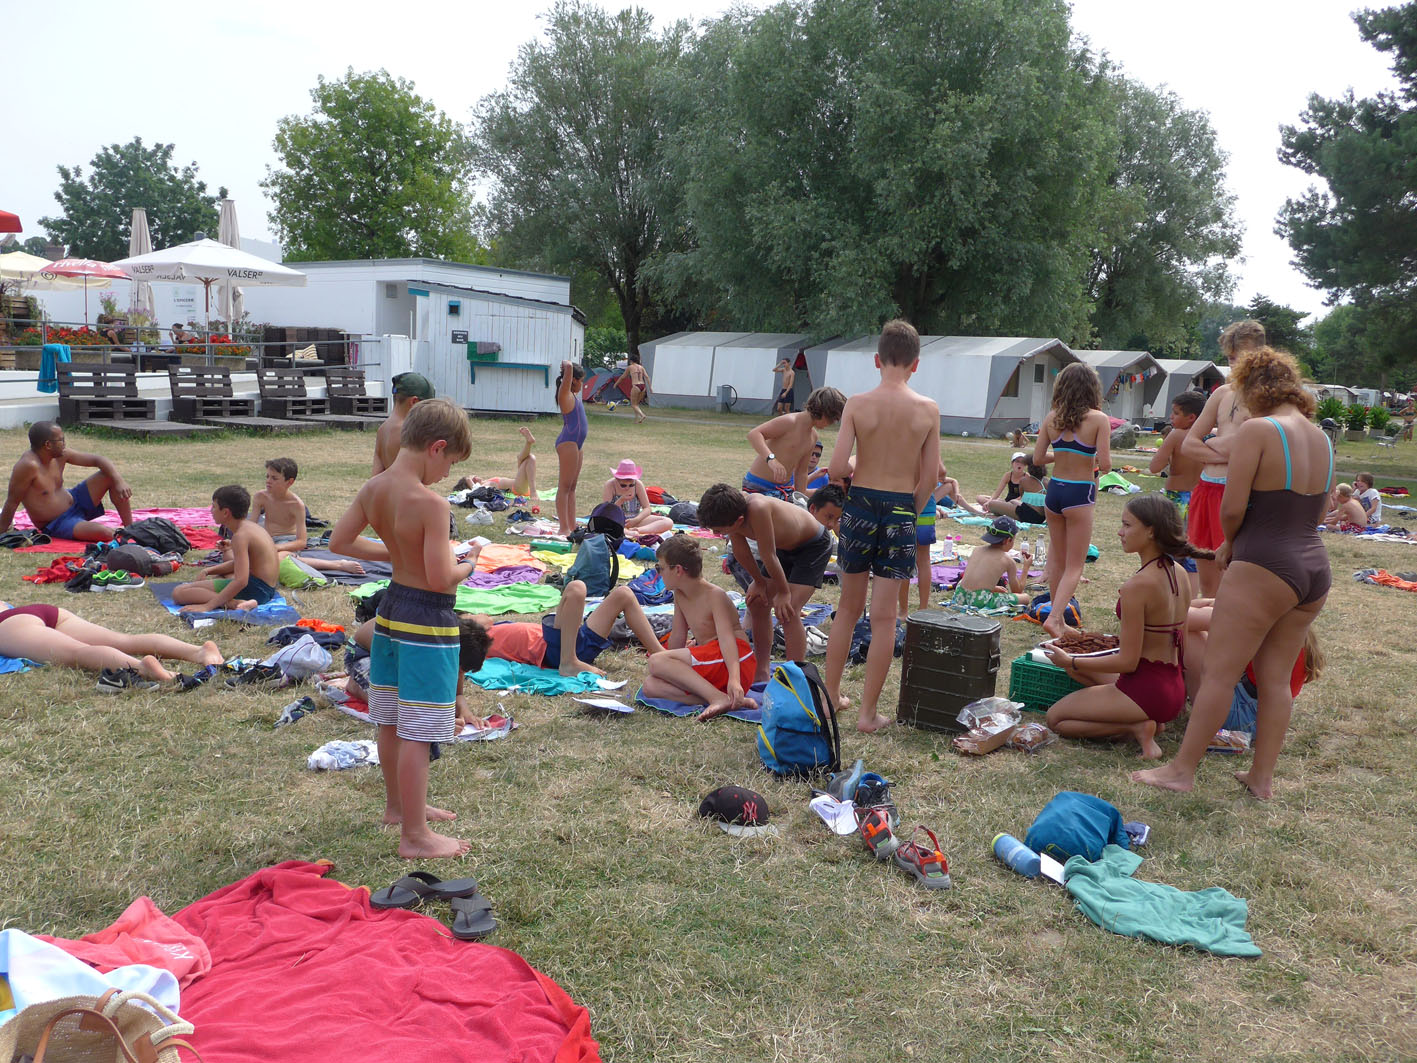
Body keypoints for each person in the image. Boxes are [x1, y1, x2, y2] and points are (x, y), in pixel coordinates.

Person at [1135, 347, 1332, 799]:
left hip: (1264, 559)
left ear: (1252, 389)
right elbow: (1320, 512)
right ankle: (1261, 779)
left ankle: (1181, 771)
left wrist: (1229, 545)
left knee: (1221, 673)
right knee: (1276, 679)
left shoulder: (1258, 430)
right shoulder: (1321, 437)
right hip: (1313, 565)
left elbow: (1232, 506)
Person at [330, 397, 477, 858]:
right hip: (428, 621)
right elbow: (439, 578)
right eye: (450, 463)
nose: (446, 474)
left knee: (392, 718)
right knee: (421, 726)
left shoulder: (375, 487)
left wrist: (396, 552)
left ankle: (398, 808)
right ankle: (415, 836)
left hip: (391, 613)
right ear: (437, 447)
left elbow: (340, 541)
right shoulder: (430, 504)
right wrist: (469, 564)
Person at [822, 320, 941, 732]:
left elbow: (836, 468)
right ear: (916, 364)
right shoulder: (928, 410)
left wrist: (857, 470)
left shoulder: (857, 404)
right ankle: (868, 714)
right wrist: (909, 510)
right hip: (901, 509)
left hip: (860, 505)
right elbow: (930, 478)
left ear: (877, 360)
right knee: (885, 617)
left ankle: (830, 697)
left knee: (847, 609)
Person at [1043, 495, 1208, 758]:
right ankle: (1147, 719)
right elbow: (1177, 642)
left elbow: (1127, 662)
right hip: (1174, 688)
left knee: (1055, 719)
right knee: (1079, 672)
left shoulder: (1137, 587)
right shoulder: (1178, 572)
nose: (1120, 532)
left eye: (1127, 525)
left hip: (1144, 691)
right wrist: (1081, 648)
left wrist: (1070, 659)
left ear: (1151, 531)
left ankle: (1137, 726)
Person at [698, 482, 838, 684]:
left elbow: (769, 555)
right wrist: (758, 582)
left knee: (788, 610)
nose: (714, 535)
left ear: (738, 521)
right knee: (757, 602)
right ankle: (762, 669)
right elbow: (741, 552)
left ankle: (794, 677)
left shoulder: (758, 508)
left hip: (813, 545)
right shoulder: (733, 512)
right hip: (784, 548)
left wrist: (783, 592)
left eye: (718, 530)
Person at [1180, 319, 1267, 595]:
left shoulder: (1268, 397)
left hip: (1238, 493)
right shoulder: (1222, 394)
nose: (1236, 364)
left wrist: (1214, 444)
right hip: (1206, 489)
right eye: (1231, 358)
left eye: (1242, 357)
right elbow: (1189, 445)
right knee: (1207, 583)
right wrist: (1223, 448)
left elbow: (1252, 450)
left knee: (1234, 580)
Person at [642, 535, 758, 721]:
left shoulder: (715, 595)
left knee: (656, 661)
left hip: (736, 660)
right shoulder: (680, 594)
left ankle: (718, 698)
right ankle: (727, 700)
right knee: (650, 686)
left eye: (660, 568)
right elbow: (678, 637)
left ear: (678, 570)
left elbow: (727, 639)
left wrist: (735, 679)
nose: (659, 573)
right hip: (714, 661)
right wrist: (670, 667)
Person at [1034, 363, 1111, 639]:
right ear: (1092, 388)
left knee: (1057, 559)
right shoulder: (1099, 419)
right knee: (1075, 565)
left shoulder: (1051, 418)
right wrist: (1085, 457)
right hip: (1080, 493)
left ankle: (1058, 618)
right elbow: (1105, 465)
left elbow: (1037, 459)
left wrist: (1063, 453)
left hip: (1054, 491)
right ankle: (1055, 618)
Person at [472, 577, 665, 676]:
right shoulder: (472, 637)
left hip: (569, 642)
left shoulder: (485, 631)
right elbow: (483, 620)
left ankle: (661, 655)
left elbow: (484, 620)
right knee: (576, 588)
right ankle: (569, 662)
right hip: (553, 650)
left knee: (624, 593)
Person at [0, 602, 223, 686]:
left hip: (9, 624)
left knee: (77, 653)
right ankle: (199, 651)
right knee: (124, 640)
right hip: (38, 610)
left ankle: (140, 667)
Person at [0, 422, 135, 542]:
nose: (64, 444)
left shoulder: (61, 455)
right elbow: (12, 502)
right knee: (106, 534)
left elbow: (99, 460)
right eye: (61, 440)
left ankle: (132, 529)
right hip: (58, 522)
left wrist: (119, 481)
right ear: (48, 445)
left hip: (75, 500)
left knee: (109, 475)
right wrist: (2, 532)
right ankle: (123, 533)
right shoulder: (28, 466)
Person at [173, 485, 280, 612]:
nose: (211, 511)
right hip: (267, 589)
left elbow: (241, 581)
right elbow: (240, 564)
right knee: (219, 578)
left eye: (214, 507)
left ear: (225, 513)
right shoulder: (251, 527)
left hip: (256, 591)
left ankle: (236, 603)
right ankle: (237, 601)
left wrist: (207, 606)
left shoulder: (240, 536)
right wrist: (207, 571)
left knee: (179, 592)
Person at [252, 457, 364, 575]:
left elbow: (301, 542)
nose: (268, 481)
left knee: (277, 559)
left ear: (289, 482)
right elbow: (251, 525)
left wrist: (276, 548)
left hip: (287, 542)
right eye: (267, 476)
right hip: (267, 539)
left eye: (274, 478)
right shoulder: (260, 497)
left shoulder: (296, 505)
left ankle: (337, 564)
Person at [743, 386, 847, 500]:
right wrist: (772, 460)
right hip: (758, 485)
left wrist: (800, 498)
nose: (832, 423)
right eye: (833, 419)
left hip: (783, 489)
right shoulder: (790, 422)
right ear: (824, 411)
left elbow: (801, 472)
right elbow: (754, 434)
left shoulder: (813, 436)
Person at [1148, 390, 1206, 588]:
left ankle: (1168, 594)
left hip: (1176, 498)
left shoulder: (1176, 435)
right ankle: (1189, 600)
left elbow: (1154, 467)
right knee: (1192, 553)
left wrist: (1169, 455)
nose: (1171, 417)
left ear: (1191, 417)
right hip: (1199, 498)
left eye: (1175, 413)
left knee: (1168, 548)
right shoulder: (1208, 436)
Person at [948, 515, 1032, 614]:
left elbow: (975, 578)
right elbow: (1017, 591)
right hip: (980, 600)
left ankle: (987, 591)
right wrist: (1026, 568)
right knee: (1025, 598)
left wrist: (993, 588)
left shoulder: (977, 549)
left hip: (960, 595)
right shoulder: (1008, 561)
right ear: (1008, 540)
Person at [456, 426, 541, 506]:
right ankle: (533, 492)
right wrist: (469, 480)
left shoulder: (487, 481)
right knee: (529, 458)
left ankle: (529, 442)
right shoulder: (485, 486)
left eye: (473, 476)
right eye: (473, 479)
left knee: (525, 458)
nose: (475, 477)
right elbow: (479, 492)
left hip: (519, 484)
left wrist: (470, 480)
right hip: (518, 489)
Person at [372, 372, 435, 476]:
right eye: (428, 407)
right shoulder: (409, 433)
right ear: (414, 402)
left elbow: (375, 476)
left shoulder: (382, 430)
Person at [555, 361, 588, 535]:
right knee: (564, 486)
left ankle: (572, 525)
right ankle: (563, 528)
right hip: (568, 442)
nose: (582, 384)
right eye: (581, 380)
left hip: (577, 444)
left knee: (572, 487)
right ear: (573, 380)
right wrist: (567, 366)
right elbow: (568, 368)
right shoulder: (565, 394)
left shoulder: (573, 396)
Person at [603, 460, 673, 537]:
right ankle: (627, 532)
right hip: (616, 521)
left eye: (631, 485)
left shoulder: (638, 484)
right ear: (617, 479)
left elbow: (647, 508)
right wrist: (621, 500)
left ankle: (637, 530)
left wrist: (636, 520)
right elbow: (607, 511)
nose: (627, 488)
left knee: (668, 522)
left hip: (636, 519)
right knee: (605, 524)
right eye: (623, 485)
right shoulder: (610, 485)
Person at [976, 452, 1047, 525]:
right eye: (1017, 461)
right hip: (1040, 518)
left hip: (1025, 514)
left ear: (1028, 467)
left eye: (1022, 462)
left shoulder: (1025, 480)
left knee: (992, 504)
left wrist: (1012, 502)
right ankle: (1003, 511)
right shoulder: (1047, 481)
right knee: (984, 499)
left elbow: (1022, 498)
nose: (1019, 464)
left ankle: (1002, 514)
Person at [616, 353, 652, 424]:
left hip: (636, 386)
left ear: (631, 361)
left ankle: (642, 415)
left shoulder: (630, 367)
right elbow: (647, 377)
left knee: (633, 404)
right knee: (636, 404)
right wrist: (650, 387)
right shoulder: (641, 367)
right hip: (643, 386)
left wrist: (616, 384)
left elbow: (622, 377)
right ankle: (636, 420)